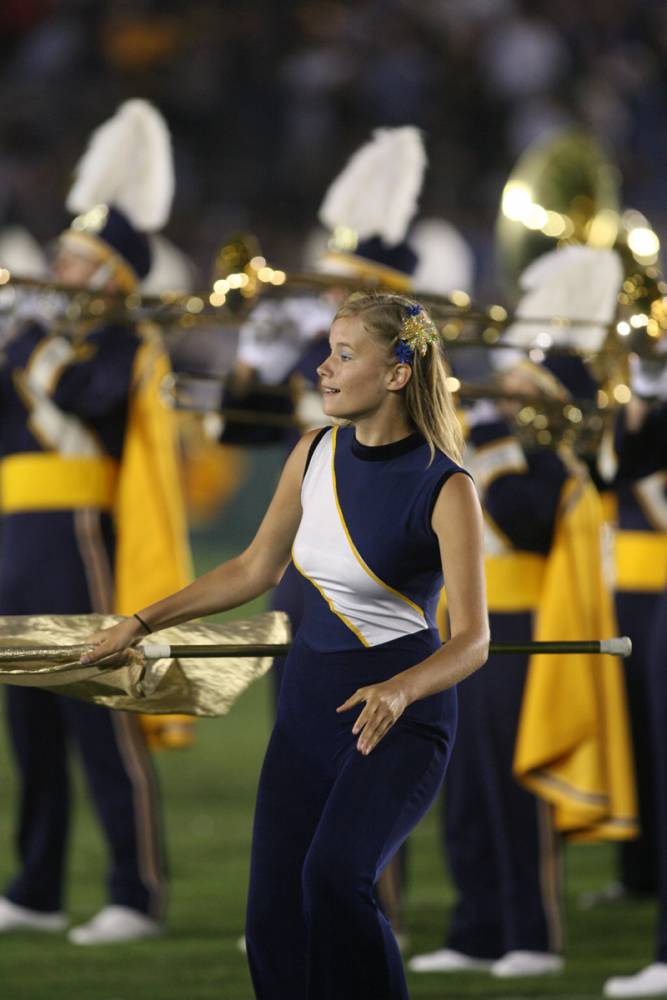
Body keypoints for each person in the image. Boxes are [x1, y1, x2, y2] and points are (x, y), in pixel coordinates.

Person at [81, 292, 490, 999]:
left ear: (395, 374)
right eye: (326, 351)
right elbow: (252, 568)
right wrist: (142, 622)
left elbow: (474, 640)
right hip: (309, 706)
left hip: (395, 716)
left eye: (342, 354)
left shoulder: (445, 487)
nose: (322, 370)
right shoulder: (312, 452)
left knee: (335, 878)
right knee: (272, 913)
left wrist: (400, 688)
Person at [0, 100, 190, 945]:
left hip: (79, 540)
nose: (55, 266)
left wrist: (38, 338)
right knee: (30, 731)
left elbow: (92, 399)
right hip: (15, 543)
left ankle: (135, 892)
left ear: (111, 274)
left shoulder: (121, 342)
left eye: (74, 259)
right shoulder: (29, 338)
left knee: (97, 720)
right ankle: (36, 887)